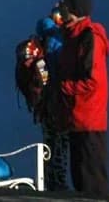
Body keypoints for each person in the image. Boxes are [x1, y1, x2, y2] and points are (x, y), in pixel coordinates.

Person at [57, 0, 109, 196]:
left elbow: (92, 81)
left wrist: (63, 87)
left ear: (74, 9)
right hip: (76, 117)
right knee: (81, 177)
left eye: (64, 3)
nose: (60, 7)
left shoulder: (90, 38)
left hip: (89, 118)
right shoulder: (73, 36)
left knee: (92, 179)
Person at [36, 13, 70, 192]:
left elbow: (43, 78)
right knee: (61, 144)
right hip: (59, 102)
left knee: (49, 143)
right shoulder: (58, 45)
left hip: (45, 104)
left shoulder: (39, 50)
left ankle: (49, 180)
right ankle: (60, 182)